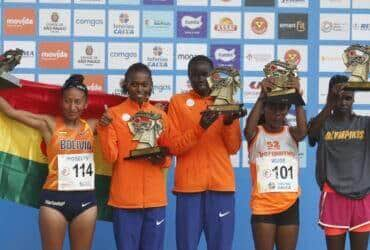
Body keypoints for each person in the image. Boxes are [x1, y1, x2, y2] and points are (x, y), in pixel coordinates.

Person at [0, 74, 98, 250]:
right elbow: (11, 112)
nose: (72, 107)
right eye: (68, 101)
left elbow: (125, 119)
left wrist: (155, 110)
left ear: (86, 104)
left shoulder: (93, 126)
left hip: (86, 203)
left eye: (77, 102)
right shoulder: (49, 124)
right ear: (61, 102)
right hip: (54, 201)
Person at [165, 55, 245, 250]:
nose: (200, 79)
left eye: (205, 75)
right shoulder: (177, 102)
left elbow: (233, 148)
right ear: (188, 77)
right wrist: (200, 127)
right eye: (195, 75)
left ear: (214, 76)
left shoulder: (225, 101)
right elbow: (173, 147)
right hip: (189, 189)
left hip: (221, 188)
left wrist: (228, 122)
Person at [97, 63, 171, 250]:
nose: (140, 89)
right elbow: (110, 156)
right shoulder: (113, 114)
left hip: (155, 199)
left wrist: (160, 158)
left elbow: (168, 156)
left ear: (151, 85)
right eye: (134, 84)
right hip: (125, 200)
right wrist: (104, 128)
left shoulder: (160, 115)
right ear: (126, 85)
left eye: (144, 84)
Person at [308, 75, 370, 250]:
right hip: (333, 196)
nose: (343, 102)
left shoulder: (365, 123)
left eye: (347, 98)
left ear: (354, 98)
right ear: (330, 96)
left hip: (363, 197)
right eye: (338, 97)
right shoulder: (321, 123)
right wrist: (330, 104)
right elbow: (311, 134)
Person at [244, 76, 307, 250]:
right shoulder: (256, 133)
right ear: (264, 109)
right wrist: (262, 96)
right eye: (272, 107)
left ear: (288, 109)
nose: (278, 112)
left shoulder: (292, 133)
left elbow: (303, 132)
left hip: (289, 204)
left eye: (282, 108)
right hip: (263, 206)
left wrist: (297, 98)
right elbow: (247, 128)